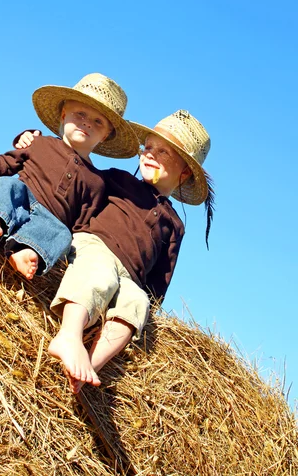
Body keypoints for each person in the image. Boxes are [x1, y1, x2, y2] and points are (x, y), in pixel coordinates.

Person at [15, 110, 214, 393]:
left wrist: (150, 304)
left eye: (164, 152)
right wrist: (32, 139)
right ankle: (69, 335)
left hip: (130, 278)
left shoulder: (175, 225)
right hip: (95, 246)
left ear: (184, 173)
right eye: (149, 147)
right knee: (99, 274)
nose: (150, 154)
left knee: (136, 305)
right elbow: (74, 170)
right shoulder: (117, 179)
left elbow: (160, 277)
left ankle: (90, 366)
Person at [0, 73, 139, 280]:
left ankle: (26, 251)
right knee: (5, 185)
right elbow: (3, 164)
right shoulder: (39, 143)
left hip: (49, 221)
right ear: (64, 115)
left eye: (98, 121)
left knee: (62, 235)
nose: (87, 123)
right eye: (80, 114)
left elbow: (80, 225)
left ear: (105, 135)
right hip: (21, 198)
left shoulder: (97, 181)